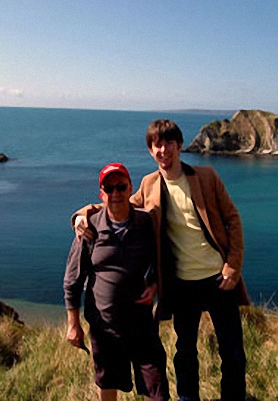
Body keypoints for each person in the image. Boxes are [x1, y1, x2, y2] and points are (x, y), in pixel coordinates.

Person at [74, 120, 249, 401]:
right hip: (182, 284)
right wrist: (82, 214)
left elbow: (232, 218)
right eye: (157, 145)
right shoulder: (149, 184)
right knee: (186, 353)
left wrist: (233, 265)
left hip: (220, 278)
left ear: (179, 146)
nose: (163, 150)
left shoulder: (206, 176)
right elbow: (119, 203)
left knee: (233, 353)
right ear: (150, 150)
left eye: (169, 143)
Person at [64, 162, 170, 401]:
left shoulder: (145, 223)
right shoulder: (89, 228)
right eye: (109, 188)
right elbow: (73, 278)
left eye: (121, 187)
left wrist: (154, 283)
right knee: (108, 382)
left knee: (157, 387)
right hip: (104, 325)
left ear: (130, 188)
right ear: (101, 193)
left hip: (141, 323)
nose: (116, 193)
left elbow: (159, 259)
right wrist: (73, 323)